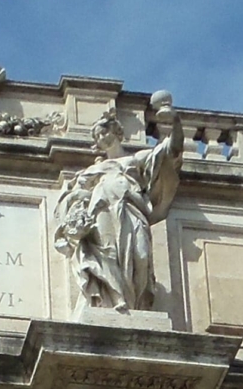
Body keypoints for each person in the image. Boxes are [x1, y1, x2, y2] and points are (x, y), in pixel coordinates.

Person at [51, 96, 184, 312]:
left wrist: (175, 123)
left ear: (117, 132)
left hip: (131, 209)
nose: (102, 136)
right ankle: (113, 299)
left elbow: (171, 151)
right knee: (107, 255)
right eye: (98, 135)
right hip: (101, 210)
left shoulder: (135, 160)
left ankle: (137, 304)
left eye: (105, 131)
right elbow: (71, 200)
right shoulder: (90, 171)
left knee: (141, 256)